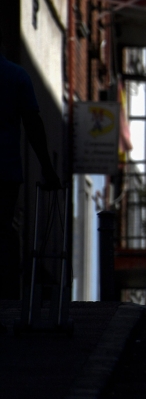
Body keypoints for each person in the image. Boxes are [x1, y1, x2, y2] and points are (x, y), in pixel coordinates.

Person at [0, 30, 61, 306]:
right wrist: (47, 168)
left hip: (7, 171)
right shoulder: (16, 76)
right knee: (3, 234)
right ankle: (8, 299)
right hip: (6, 172)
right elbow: (33, 126)